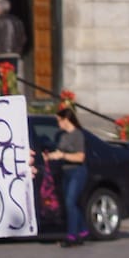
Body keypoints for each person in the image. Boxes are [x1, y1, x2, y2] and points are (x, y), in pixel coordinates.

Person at [47, 103, 88, 246]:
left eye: (59, 120)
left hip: (77, 172)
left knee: (70, 201)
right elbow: (59, 153)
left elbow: (80, 157)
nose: (58, 123)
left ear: (66, 120)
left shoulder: (78, 135)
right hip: (66, 172)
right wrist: (49, 156)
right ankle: (83, 230)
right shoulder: (63, 136)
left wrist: (63, 155)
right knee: (70, 203)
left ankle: (71, 236)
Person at [0, 0, 26, 86]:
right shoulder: (17, 21)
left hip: (0, 54)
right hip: (13, 54)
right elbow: (23, 38)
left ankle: (4, 96)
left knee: (2, 79)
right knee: (12, 78)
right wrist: (18, 50)